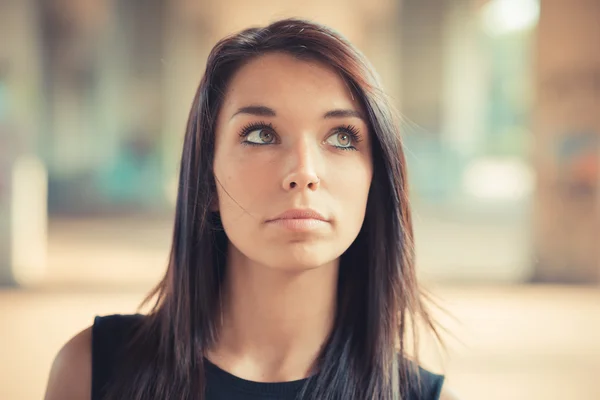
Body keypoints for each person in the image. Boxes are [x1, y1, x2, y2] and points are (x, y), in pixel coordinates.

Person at [44, 18, 459, 400]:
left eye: (342, 137)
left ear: (376, 179)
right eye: (261, 134)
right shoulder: (91, 371)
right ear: (207, 179)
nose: (303, 172)